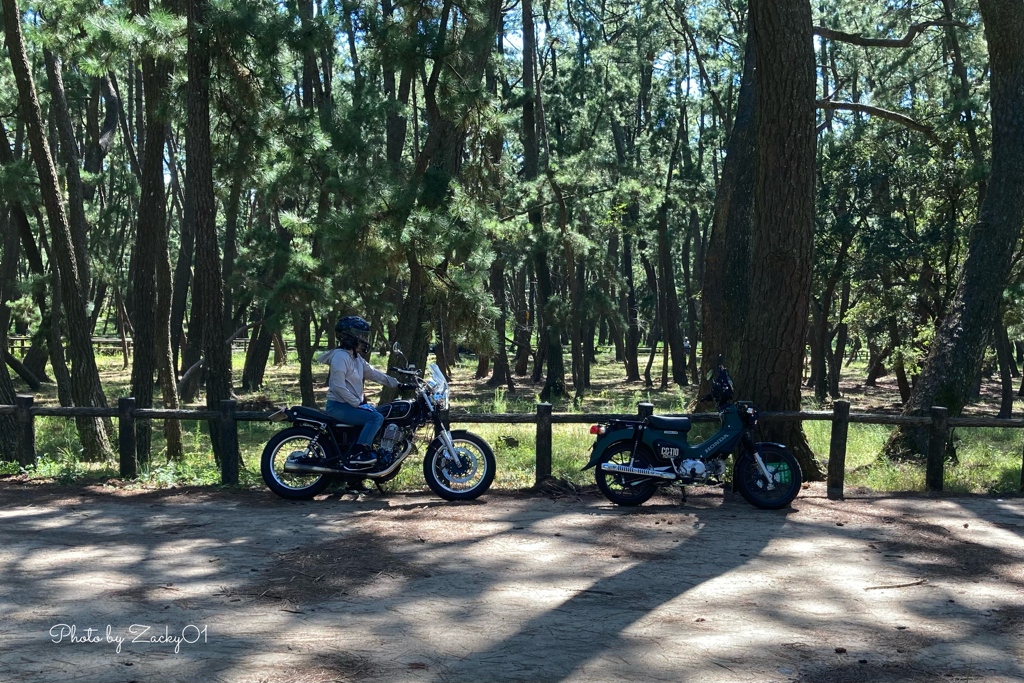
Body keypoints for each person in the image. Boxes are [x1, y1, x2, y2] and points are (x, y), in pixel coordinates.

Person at [318, 316, 398, 467]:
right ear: (349, 335)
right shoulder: (340, 357)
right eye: (361, 335)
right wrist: (357, 404)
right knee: (375, 418)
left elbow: (374, 373)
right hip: (338, 406)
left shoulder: (356, 358)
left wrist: (397, 383)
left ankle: (356, 479)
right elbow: (338, 386)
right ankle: (360, 453)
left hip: (349, 405)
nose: (363, 339)